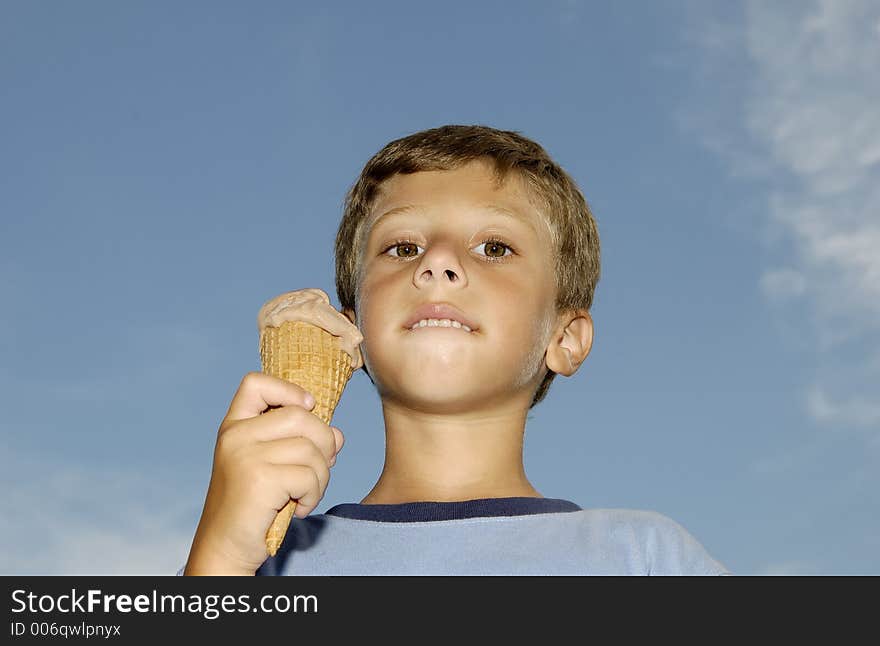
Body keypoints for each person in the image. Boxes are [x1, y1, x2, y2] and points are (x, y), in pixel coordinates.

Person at [182, 124, 729, 575]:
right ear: (350, 335)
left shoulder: (645, 559)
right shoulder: (267, 565)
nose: (437, 263)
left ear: (564, 339)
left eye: (494, 247)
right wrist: (220, 558)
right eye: (402, 247)